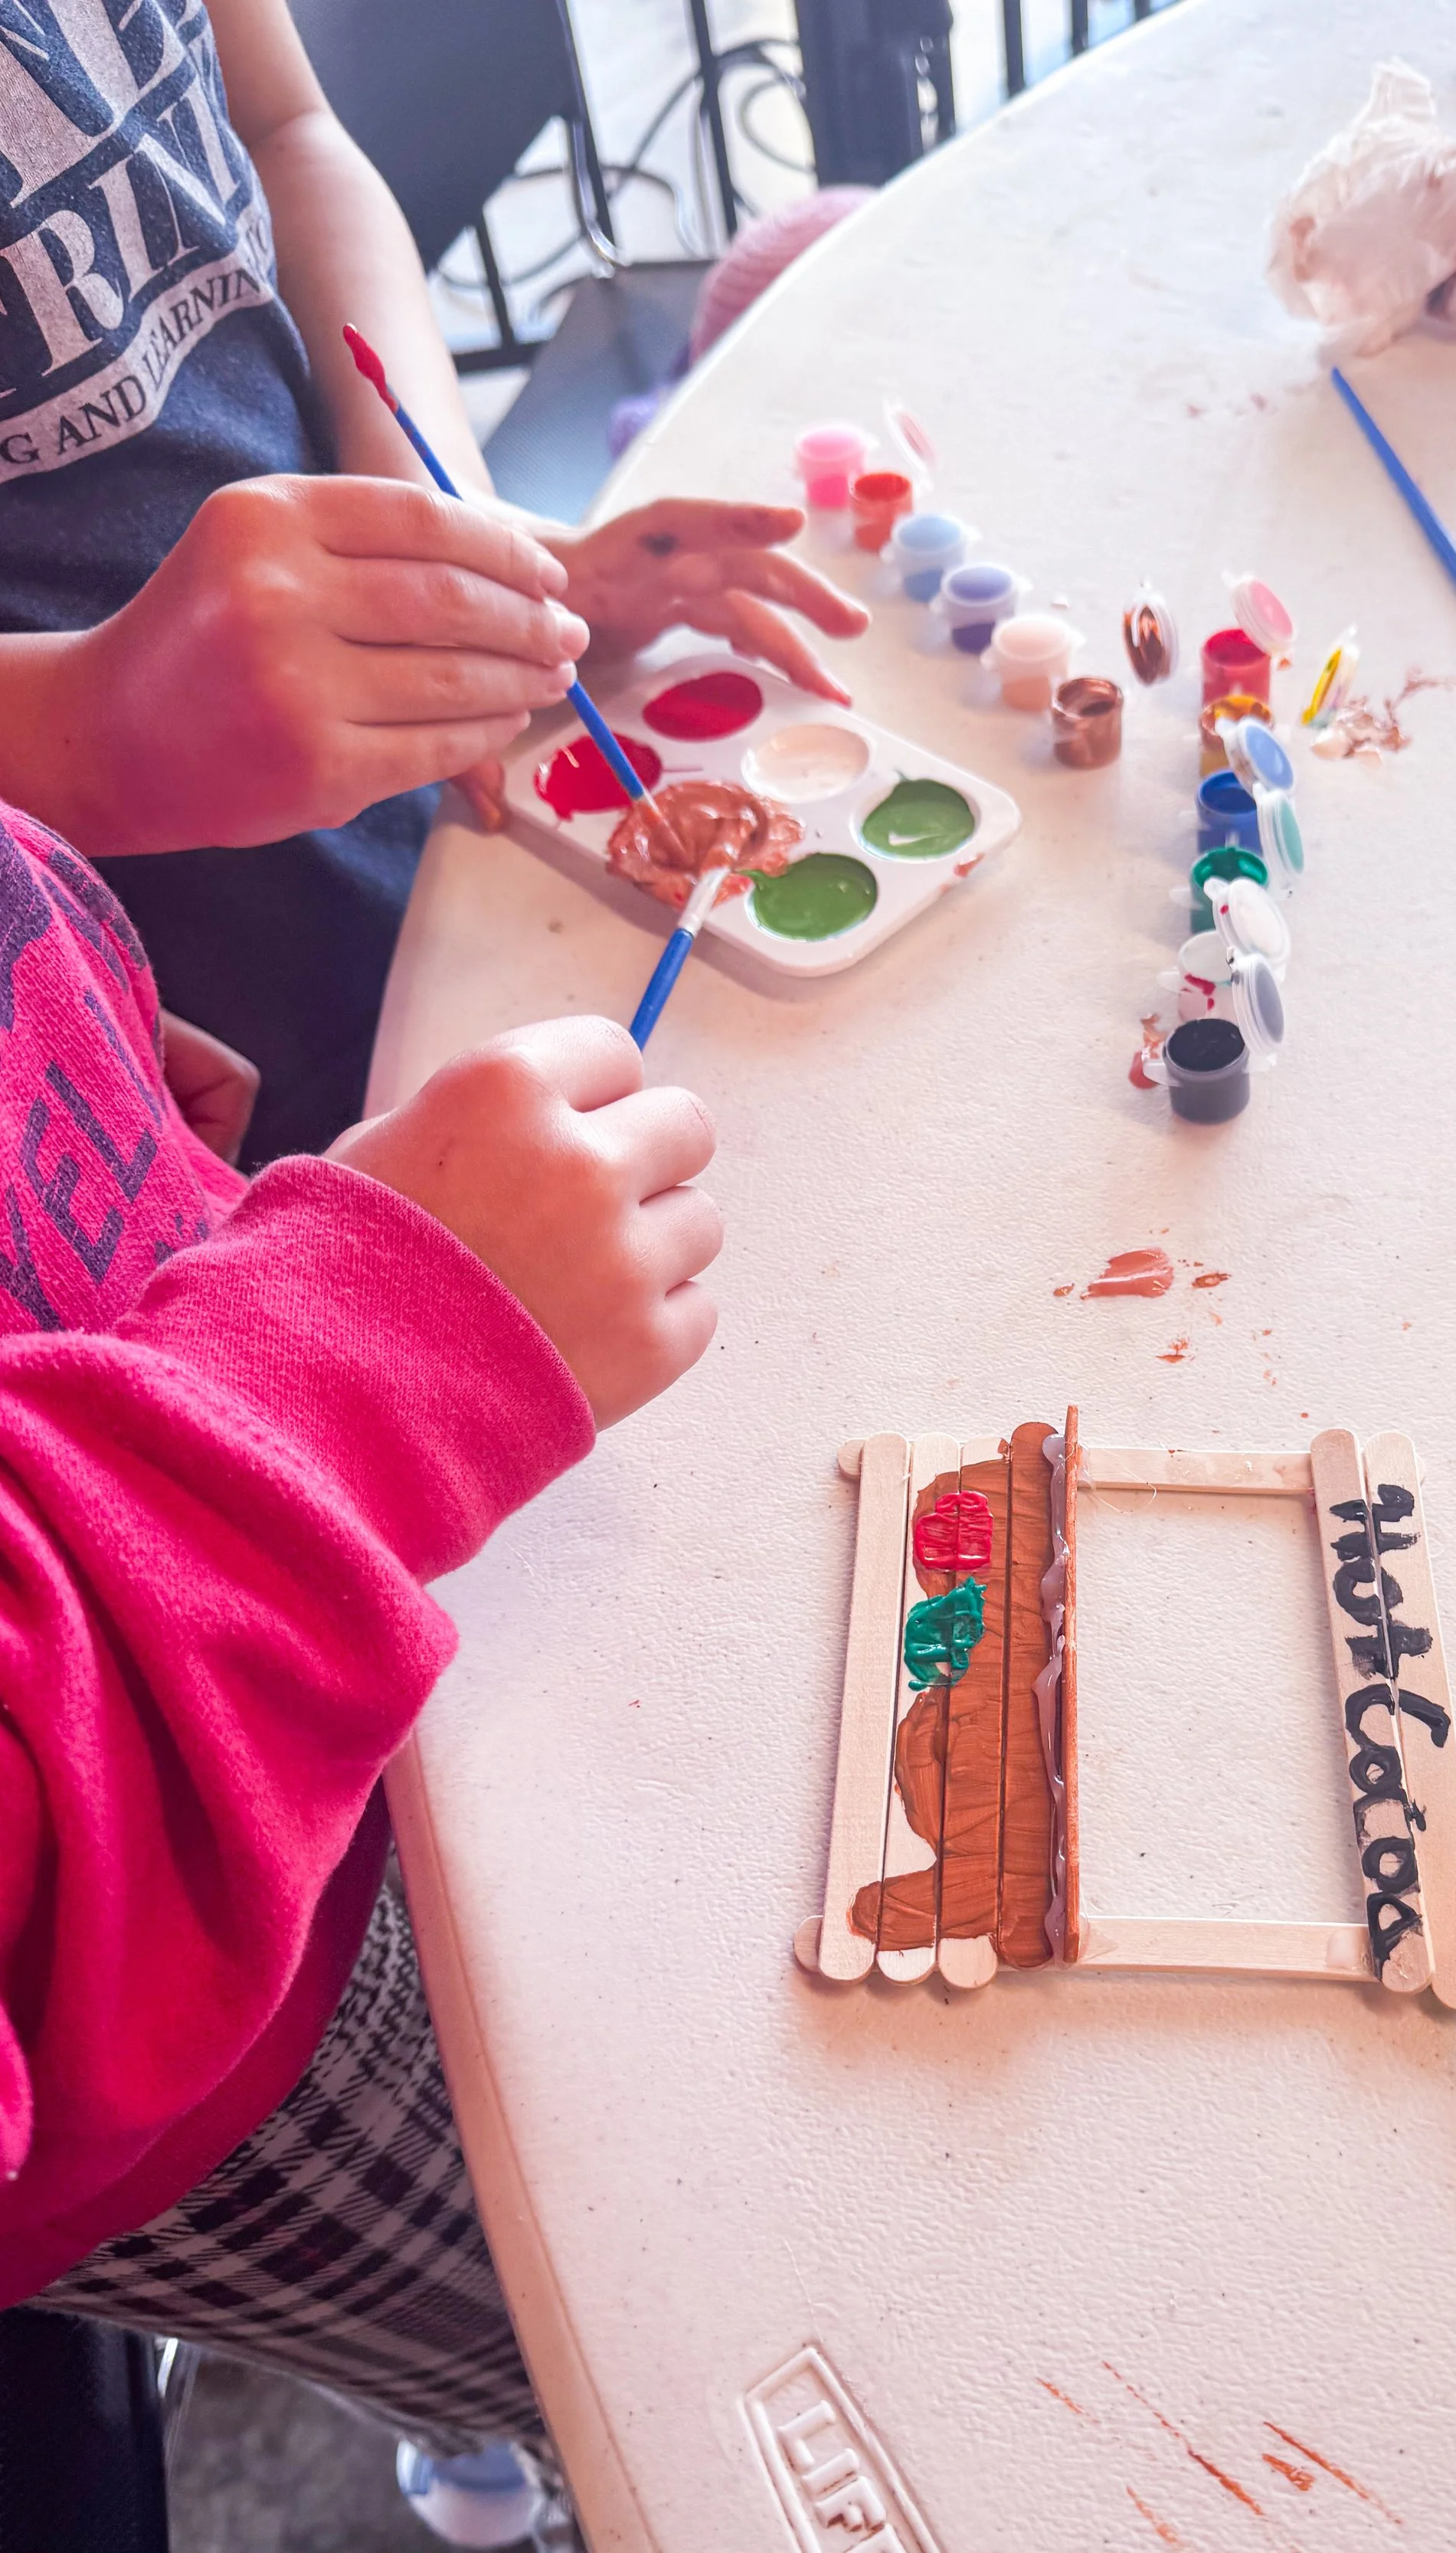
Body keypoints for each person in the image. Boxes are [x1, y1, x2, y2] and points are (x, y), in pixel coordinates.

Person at [0, 776, 711, 2535]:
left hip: (304, 1555)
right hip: (221, 2007)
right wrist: (359, 1371)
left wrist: (52, 972)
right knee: (630, 2337)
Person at [0, 0, 866, 1163]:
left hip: (431, 813)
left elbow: (284, 125)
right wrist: (91, 730)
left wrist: (444, 535)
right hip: (151, 1033)